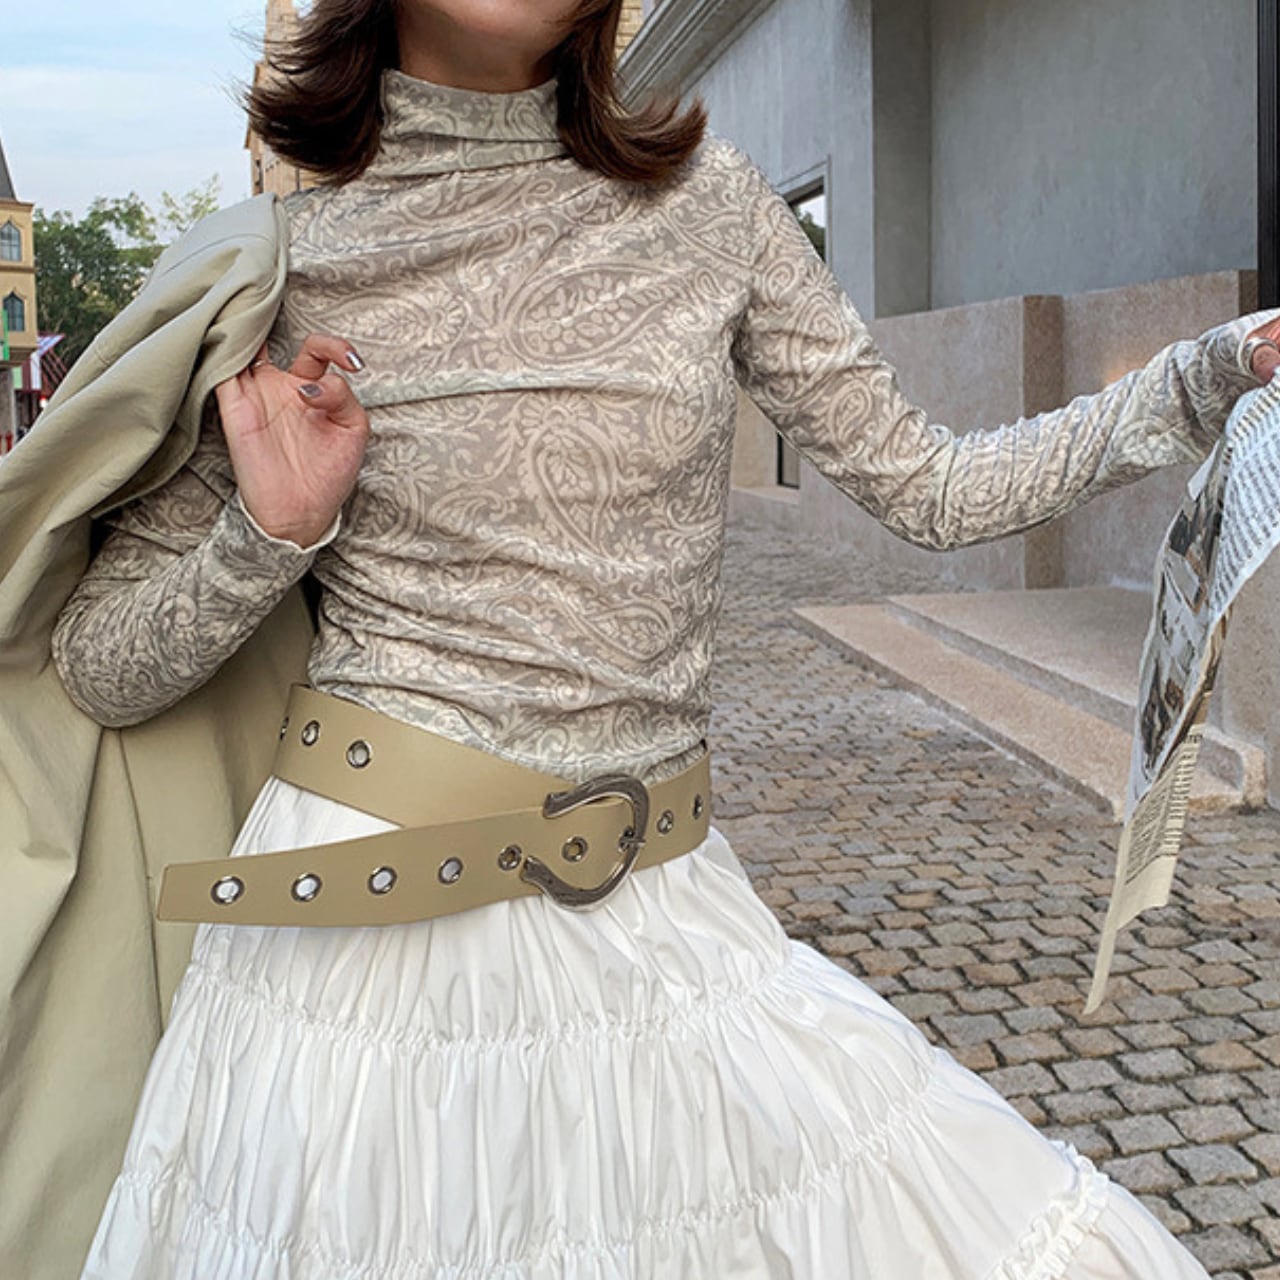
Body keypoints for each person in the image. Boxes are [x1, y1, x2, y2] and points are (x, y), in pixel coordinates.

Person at [51, 0, 1278, 1275]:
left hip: (663, 908)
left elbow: (933, 487)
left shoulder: (709, 205)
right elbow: (100, 661)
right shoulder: (279, 268)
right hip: (356, 966)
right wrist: (269, 531)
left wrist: (1197, 377)